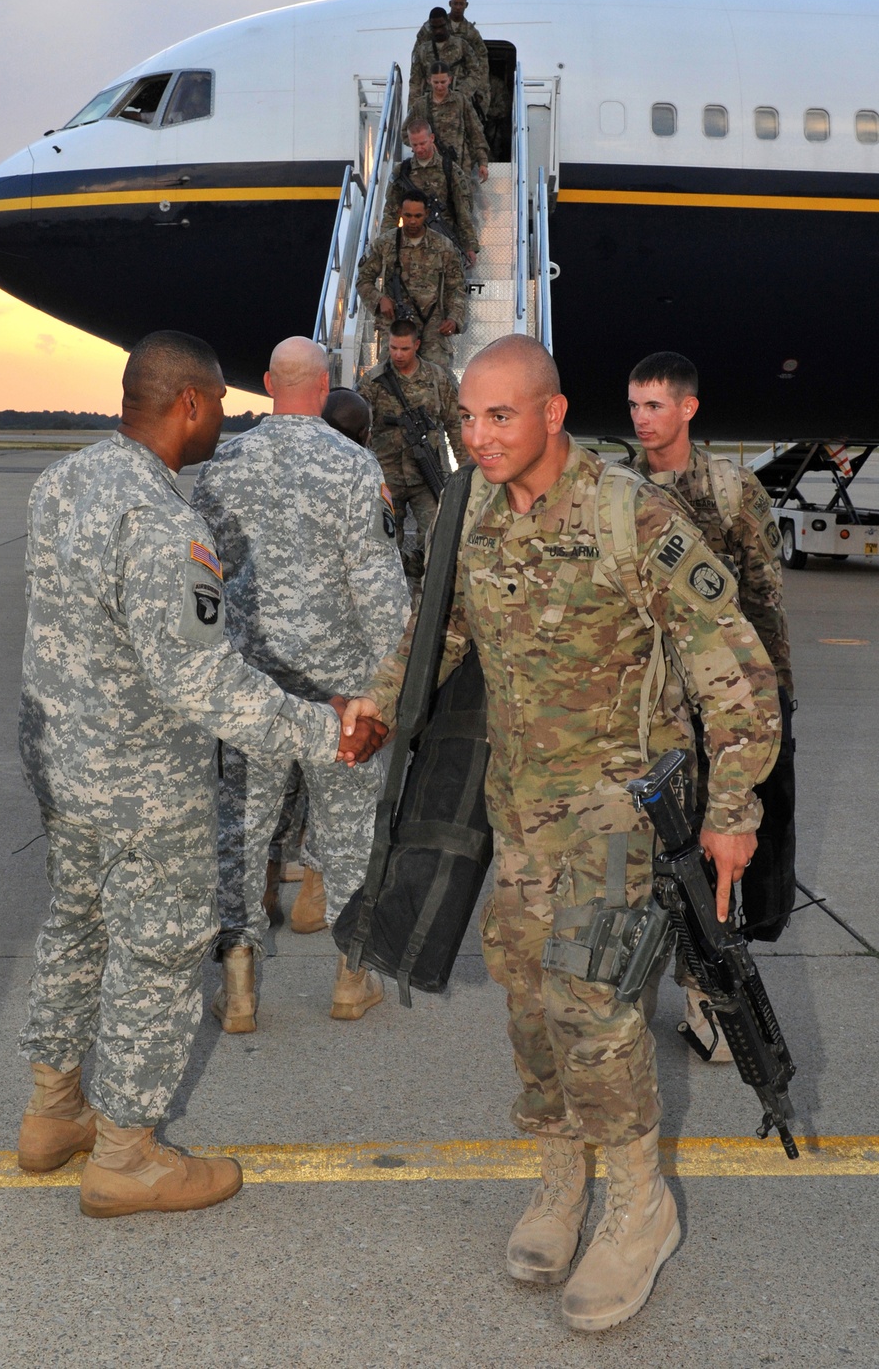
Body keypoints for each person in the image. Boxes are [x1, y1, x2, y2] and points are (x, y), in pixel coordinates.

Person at [341, 336, 780, 1331]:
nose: (477, 436)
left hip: (620, 815)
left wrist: (730, 816)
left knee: (595, 1003)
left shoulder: (636, 516)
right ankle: (559, 1170)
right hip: (520, 812)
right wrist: (378, 705)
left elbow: (736, 671)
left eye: (499, 416)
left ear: (551, 413)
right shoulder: (474, 513)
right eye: (466, 417)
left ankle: (639, 1204)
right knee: (530, 1000)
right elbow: (438, 628)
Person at [16, 330, 385, 1219]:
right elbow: (201, 679)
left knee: (75, 926)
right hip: (144, 779)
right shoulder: (163, 522)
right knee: (157, 948)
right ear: (188, 404)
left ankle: (51, 1112)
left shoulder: (62, 482)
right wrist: (322, 731)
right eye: (220, 401)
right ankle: (127, 1156)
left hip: (62, 765)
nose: (227, 417)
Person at [191, 337, 410, 1030]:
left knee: (243, 832)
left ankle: (240, 983)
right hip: (340, 695)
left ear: (267, 384)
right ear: (324, 387)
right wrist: (389, 688)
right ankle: (351, 980)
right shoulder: (354, 466)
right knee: (347, 831)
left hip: (249, 688)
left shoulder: (225, 463)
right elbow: (382, 592)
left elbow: (201, 581)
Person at [628, 350, 795, 1057]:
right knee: (645, 855)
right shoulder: (621, 489)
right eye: (634, 406)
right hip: (648, 705)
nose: (641, 420)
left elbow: (762, 597)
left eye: (654, 406)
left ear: (688, 408)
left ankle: (707, 995)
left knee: (714, 855)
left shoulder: (731, 490)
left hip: (719, 699)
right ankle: (627, 996)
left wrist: (775, 696)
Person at [358, 317, 464, 590]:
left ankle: (427, 600)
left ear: (416, 345)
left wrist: (466, 470)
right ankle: (389, 598)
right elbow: (357, 422)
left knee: (436, 538)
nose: (398, 355)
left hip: (425, 476)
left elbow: (454, 423)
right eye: (393, 348)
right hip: (387, 477)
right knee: (384, 545)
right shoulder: (374, 380)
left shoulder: (437, 378)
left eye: (404, 349)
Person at [358, 190, 468, 368]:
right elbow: (363, 279)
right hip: (396, 324)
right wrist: (380, 300)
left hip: (433, 324)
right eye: (408, 215)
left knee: (438, 375)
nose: (413, 221)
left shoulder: (443, 246)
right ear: (400, 212)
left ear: (426, 214)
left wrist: (454, 319)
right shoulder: (385, 244)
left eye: (418, 215)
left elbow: (456, 287)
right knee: (389, 378)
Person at [381, 120, 480, 266]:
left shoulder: (449, 169)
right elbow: (391, 212)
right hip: (411, 245)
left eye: (423, 143)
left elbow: (462, 210)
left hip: (444, 241)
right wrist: (386, 243)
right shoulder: (402, 171)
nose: (419, 149)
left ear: (432, 138)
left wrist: (470, 245)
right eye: (415, 145)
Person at [405, 61, 490, 191]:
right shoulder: (421, 105)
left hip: (460, 165)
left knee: (463, 204)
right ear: (429, 81)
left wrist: (483, 162)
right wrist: (422, 145)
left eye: (443, 82)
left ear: (450, 80)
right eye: (436, 82)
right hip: (429, 168)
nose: (439, 86)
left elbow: (476, 131)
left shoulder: (460, 101)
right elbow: (405, 133)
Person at [414, 0, 491, 113]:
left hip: (459, 91)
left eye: (461, 4)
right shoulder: (432, 25)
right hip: (432, 92)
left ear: (466, 5)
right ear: (450, 4)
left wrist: (469, 93)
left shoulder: (470, 33)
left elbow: (480, 64)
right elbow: (417, 61)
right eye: (455, 3)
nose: (458, 7)